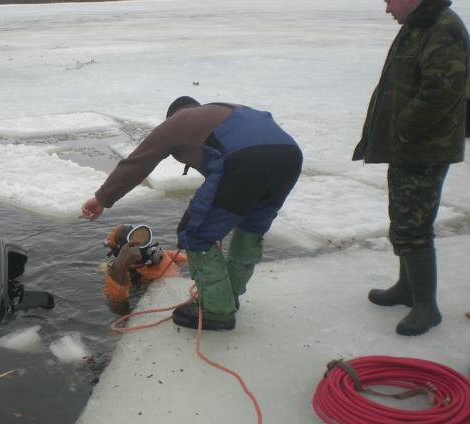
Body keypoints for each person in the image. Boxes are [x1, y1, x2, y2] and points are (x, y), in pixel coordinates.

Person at [81, 97, 302, 330]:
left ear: (174, 114)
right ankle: (229, 297)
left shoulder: (178, 121)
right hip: (289, 158)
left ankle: (216, 310)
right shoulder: (224, 112)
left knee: (194, 233)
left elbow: (138, 163)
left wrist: (102, 199)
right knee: (250, 228)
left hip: (244, 161)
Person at [353, 0, 469, 336]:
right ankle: (407, 288)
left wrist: (404, 126)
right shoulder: (419, 25)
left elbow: (442, 91)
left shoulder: (441, 27)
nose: (387, 8)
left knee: (415, 226)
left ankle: (426, 307)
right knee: (404, 219)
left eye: (390, 0)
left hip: (424, 150)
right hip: (409, 147)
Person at [103, 224, 187, 308]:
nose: (139, 246)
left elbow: (188, 259)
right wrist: (120, 266)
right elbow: (116, 301)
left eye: (142, 239)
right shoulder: (125, 275)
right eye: (134, 244)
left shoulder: (163, 254)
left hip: (181, 289)